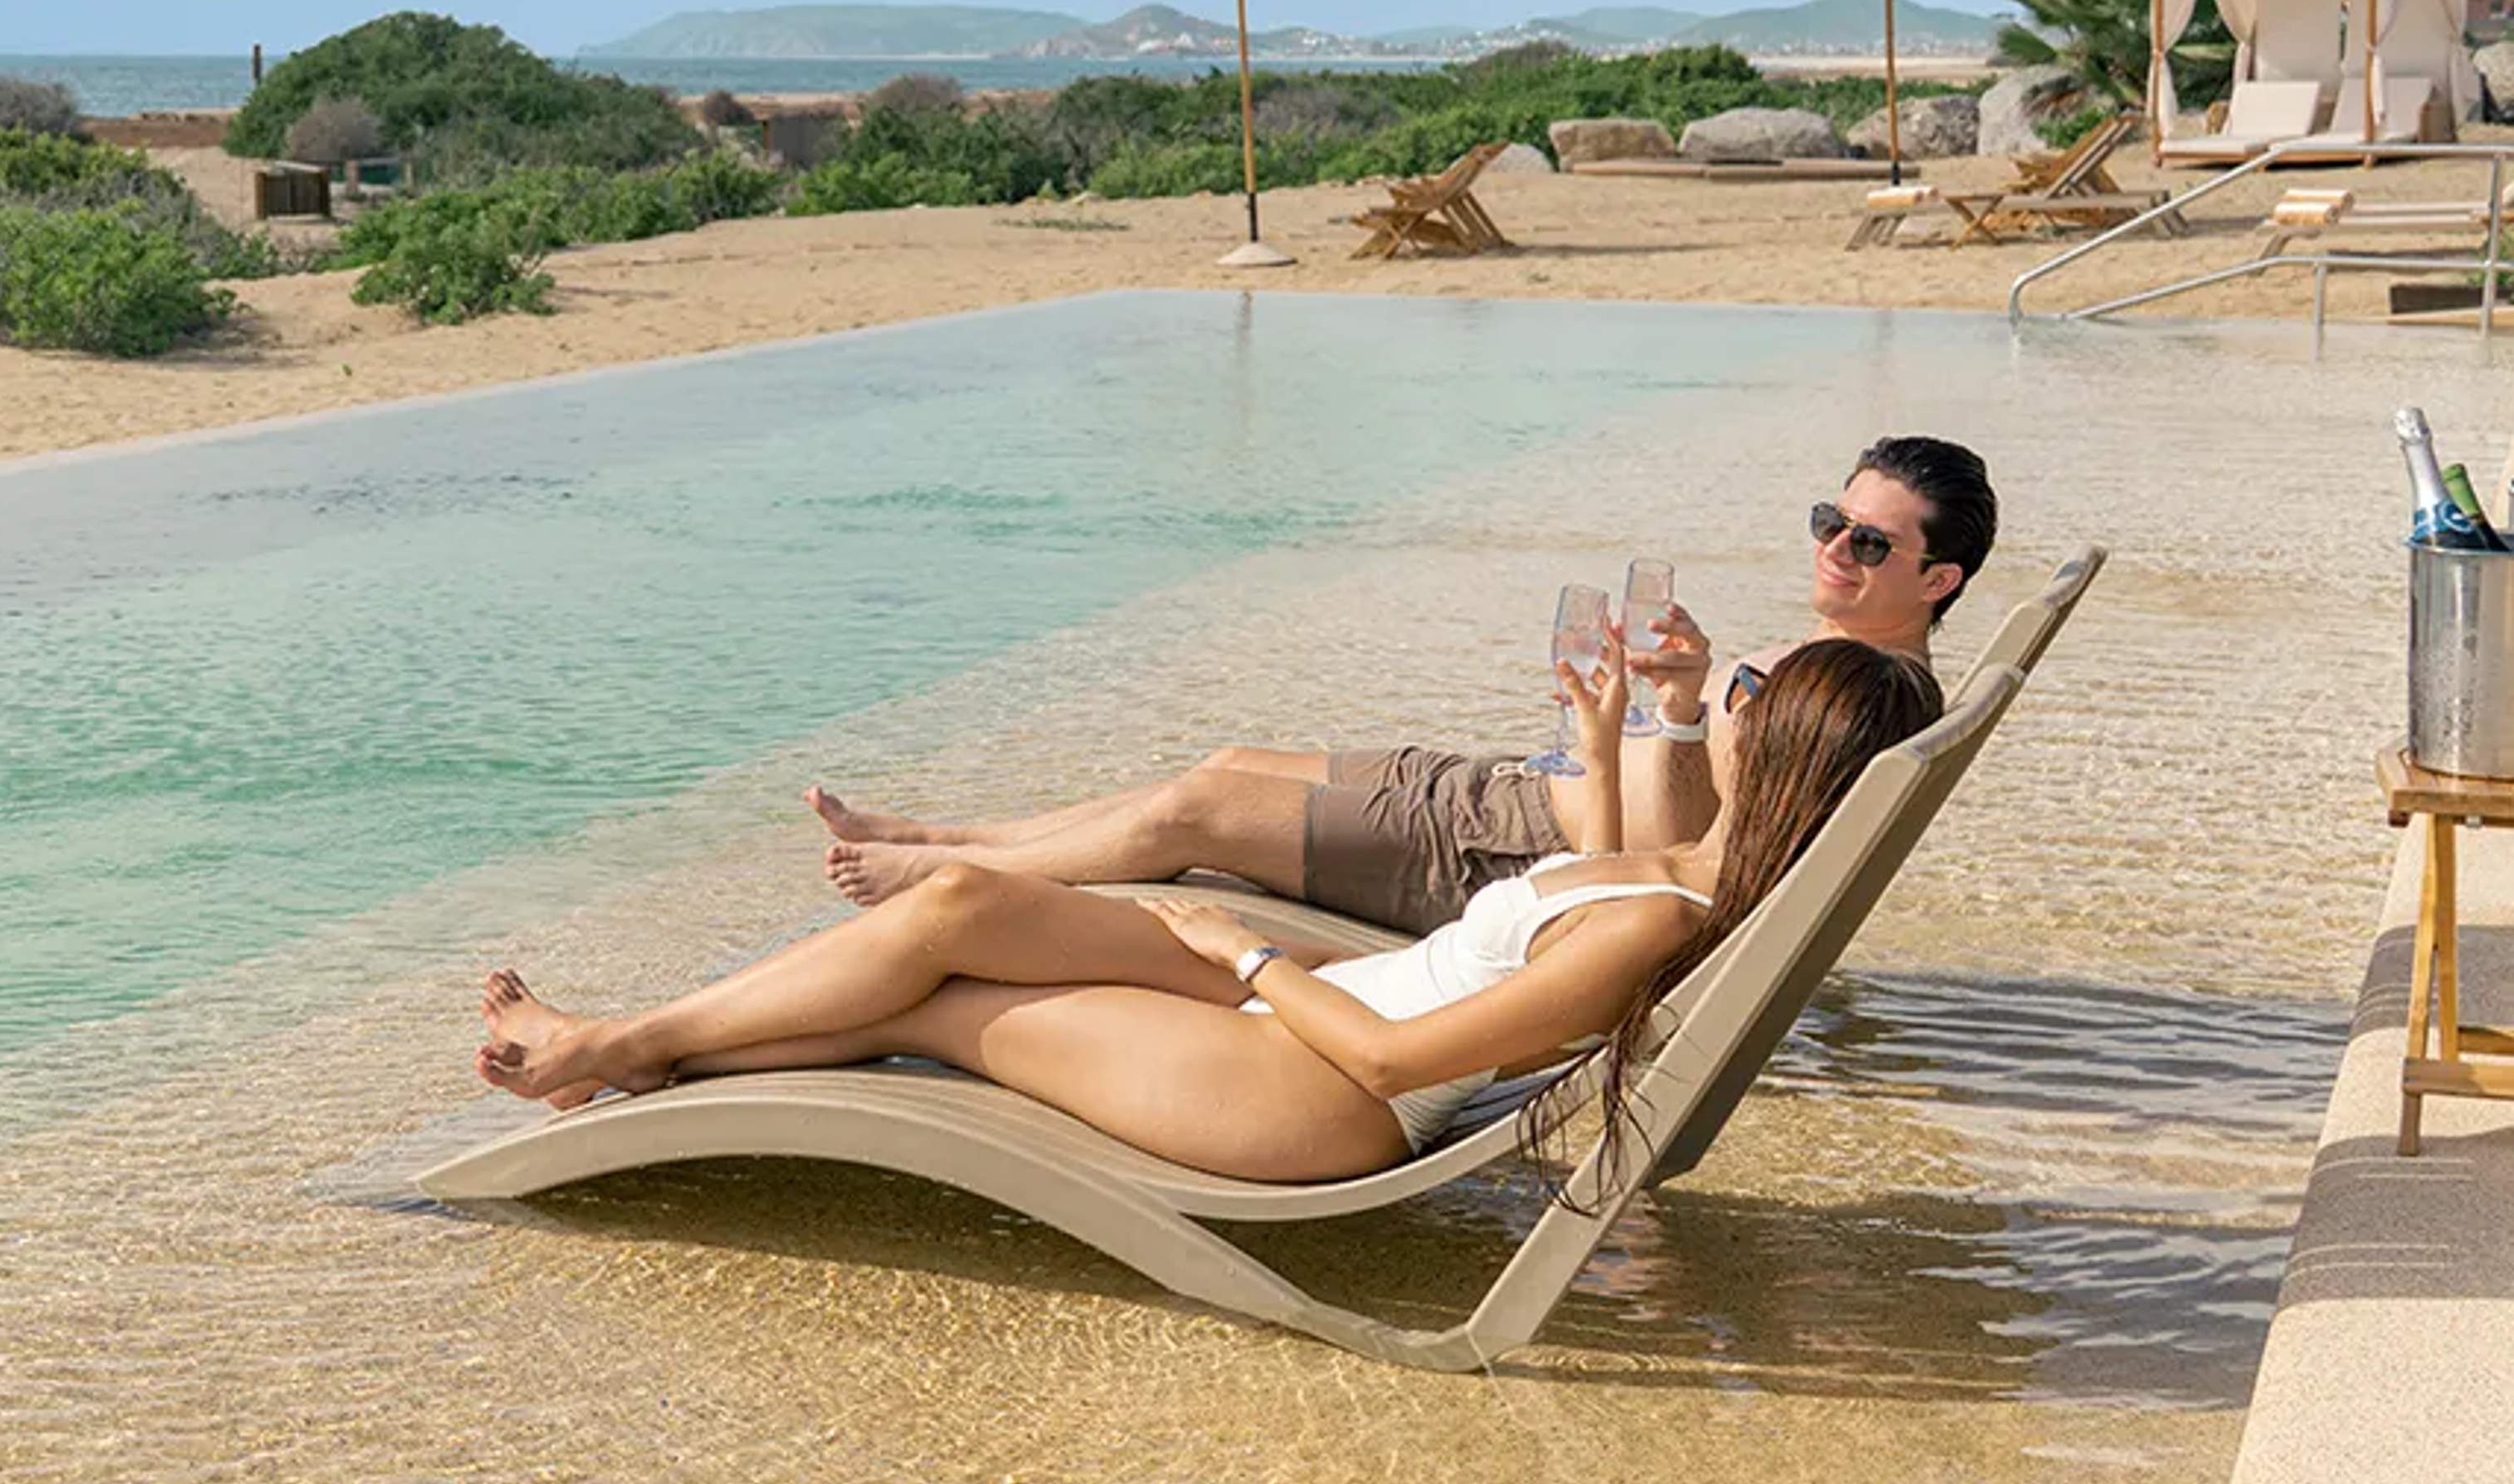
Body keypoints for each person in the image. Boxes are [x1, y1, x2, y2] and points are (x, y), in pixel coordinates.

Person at [479, 637, 1945, 1182]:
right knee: (963, 907)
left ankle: (615, 1050)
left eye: (1757, 697)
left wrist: (1232, 947)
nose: (1737, 701)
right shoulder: (1692, 880)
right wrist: (1629, 719)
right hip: (1323, 1003)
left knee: (937, 1006)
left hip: (1315, 1094)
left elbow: (1390, 1070)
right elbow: (1600, 889)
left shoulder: (1662, 924)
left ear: (1791, 755)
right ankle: (642, 1043)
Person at [804, 435, 1997, 937]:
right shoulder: (1857, 677)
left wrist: (1669, 711)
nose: (1833, 551)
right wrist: (1643, 710)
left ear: (1939, 577)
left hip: (1498, 856)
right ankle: (946, 831)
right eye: (1830, 522)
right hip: (1504, 793)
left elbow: (1686, 867)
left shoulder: (1854, 710)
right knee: (1220, 768)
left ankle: (938, 877)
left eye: (1870, 544)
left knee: (1190, 821)